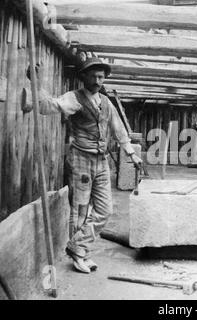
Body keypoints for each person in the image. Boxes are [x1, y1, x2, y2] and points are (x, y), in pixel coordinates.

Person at [37, 58, 142, 273]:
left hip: (101, 160)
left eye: (101, 77)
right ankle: (81, 254)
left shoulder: (105, 101)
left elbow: (119, 128)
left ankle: (78, 247)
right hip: (80, 159)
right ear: (83, 77)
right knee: (80, 209)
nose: (97, 80)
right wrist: (36, 84)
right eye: (93, 76)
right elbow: (49, 106)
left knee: (105, 210)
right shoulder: (73, 98)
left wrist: (131, 153)